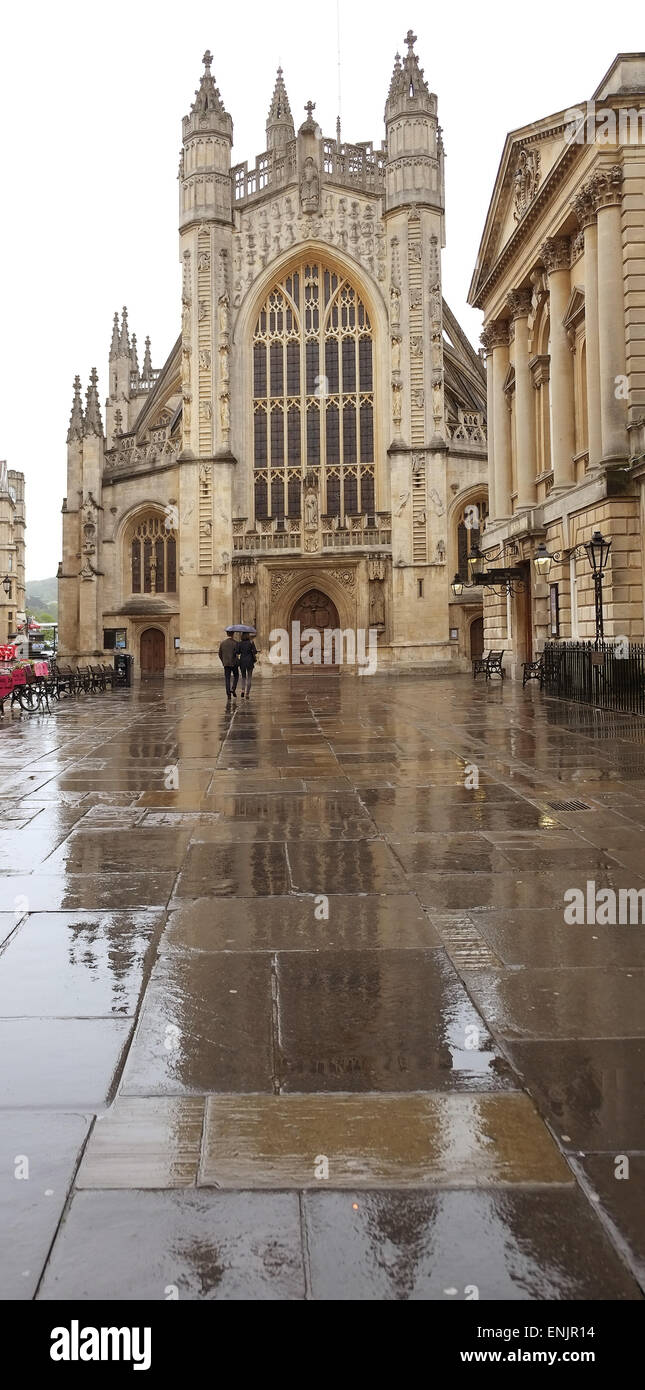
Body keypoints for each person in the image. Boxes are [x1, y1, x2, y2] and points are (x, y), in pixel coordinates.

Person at [218, 630, 240, 699]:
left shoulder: (222, 643)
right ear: (233, 634)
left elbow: (220, 654)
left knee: (227, 678)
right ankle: (233, 689)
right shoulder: (236, 643)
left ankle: (228, 694)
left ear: (227, 634)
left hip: (226, 663)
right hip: (234, 663)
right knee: (236, 676)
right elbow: (238, 653)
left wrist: (223, 661)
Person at [238, 633, 258, 698]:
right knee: (249, 677)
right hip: (249, 661)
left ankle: (243, 690)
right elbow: (255, 652)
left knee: (243, 677)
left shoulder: (240, 643)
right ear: (248, 636)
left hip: (242, 661)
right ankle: (247, 694)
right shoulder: (251, 642)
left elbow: (238, 652)